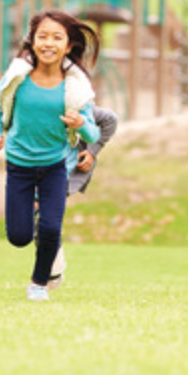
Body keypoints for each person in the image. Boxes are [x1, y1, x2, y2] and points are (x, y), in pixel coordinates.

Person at [0, 10, 101, 301]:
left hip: (55, 166)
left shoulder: (75, 87)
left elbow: (93, 134)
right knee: (19, 236)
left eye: (57, 38)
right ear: (33, 41)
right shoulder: (17, 77)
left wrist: (81, 124)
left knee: (50, 227)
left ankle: (39, 283)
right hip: (19, 165)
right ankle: (37, 224)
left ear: (69, 45)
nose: (49, 43)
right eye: (43, 37)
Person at [46, 104, 119, 290]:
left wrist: (92, 151)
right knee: (33, 220)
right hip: (34, 164)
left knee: (44, 215)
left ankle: (51, 272)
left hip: (65, 167)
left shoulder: (70, 103)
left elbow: (110, 119)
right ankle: (53, 268)